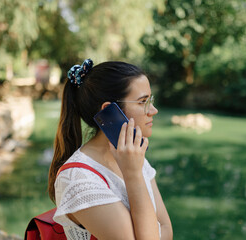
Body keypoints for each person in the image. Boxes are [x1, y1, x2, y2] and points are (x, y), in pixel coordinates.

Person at [48, 59, 173, 240]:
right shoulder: (79, 179)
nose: (153, 110)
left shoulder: (134, 157)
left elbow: (166, 228)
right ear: (109, 111)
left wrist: (134, 169)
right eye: (142, 102)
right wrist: (133, 175)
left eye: (150, 100)